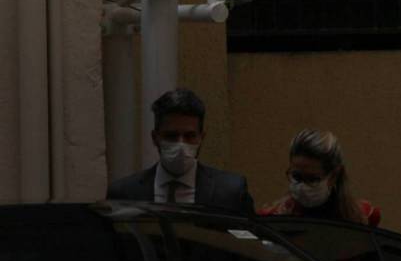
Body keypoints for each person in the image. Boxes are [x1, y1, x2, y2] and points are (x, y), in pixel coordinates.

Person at [107, 88, 254, 214]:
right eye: (171, 136)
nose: (181, 144)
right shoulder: (124, 194)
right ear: (154, 138)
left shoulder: (231, 192)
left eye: (190, 136)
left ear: (201, 138)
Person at [258, 128, 381, 226]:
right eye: (296, 177)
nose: (302, 186)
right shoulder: (271, 219)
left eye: (312, 179)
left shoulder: (364, 218)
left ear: (333, 177)